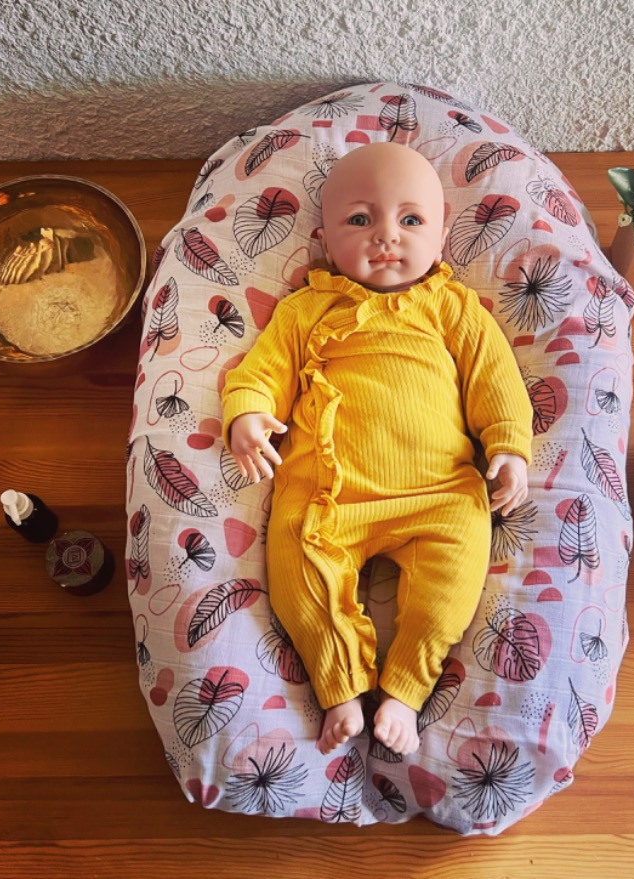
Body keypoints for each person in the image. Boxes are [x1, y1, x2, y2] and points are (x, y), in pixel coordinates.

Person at [221, 142, 533, 756]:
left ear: (441, 236)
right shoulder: (305, 309)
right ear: (324, 238)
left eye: (410, 220)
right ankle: (339, 684)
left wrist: (508, 446)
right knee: (296, 572)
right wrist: (249, 415)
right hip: (328, 495)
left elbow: (496, 379)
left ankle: (405, 692)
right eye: (360, 219)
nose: (386, 236)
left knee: (455, 577)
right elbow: (261, 371)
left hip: (438, 494)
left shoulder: (451, 307)